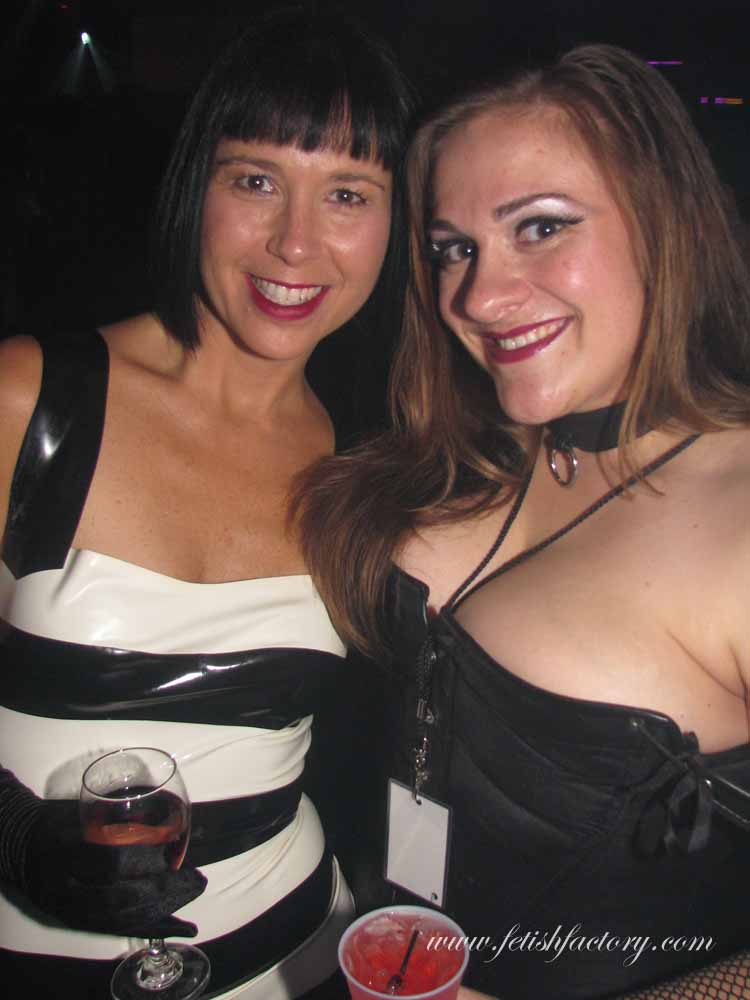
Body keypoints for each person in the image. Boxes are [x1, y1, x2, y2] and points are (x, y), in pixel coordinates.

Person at [296, 44, 750, 1000]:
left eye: (541, 227)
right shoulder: (469, 453)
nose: (479, 296)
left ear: (665, 225)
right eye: (453, 248)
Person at [0, 7, 413, 998]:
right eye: (256, 180)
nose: (296, 243)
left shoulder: (373, 467)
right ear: (197, 185)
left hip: (298, 961)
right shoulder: (33, 400)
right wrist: (13, 834)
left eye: (347, 194)